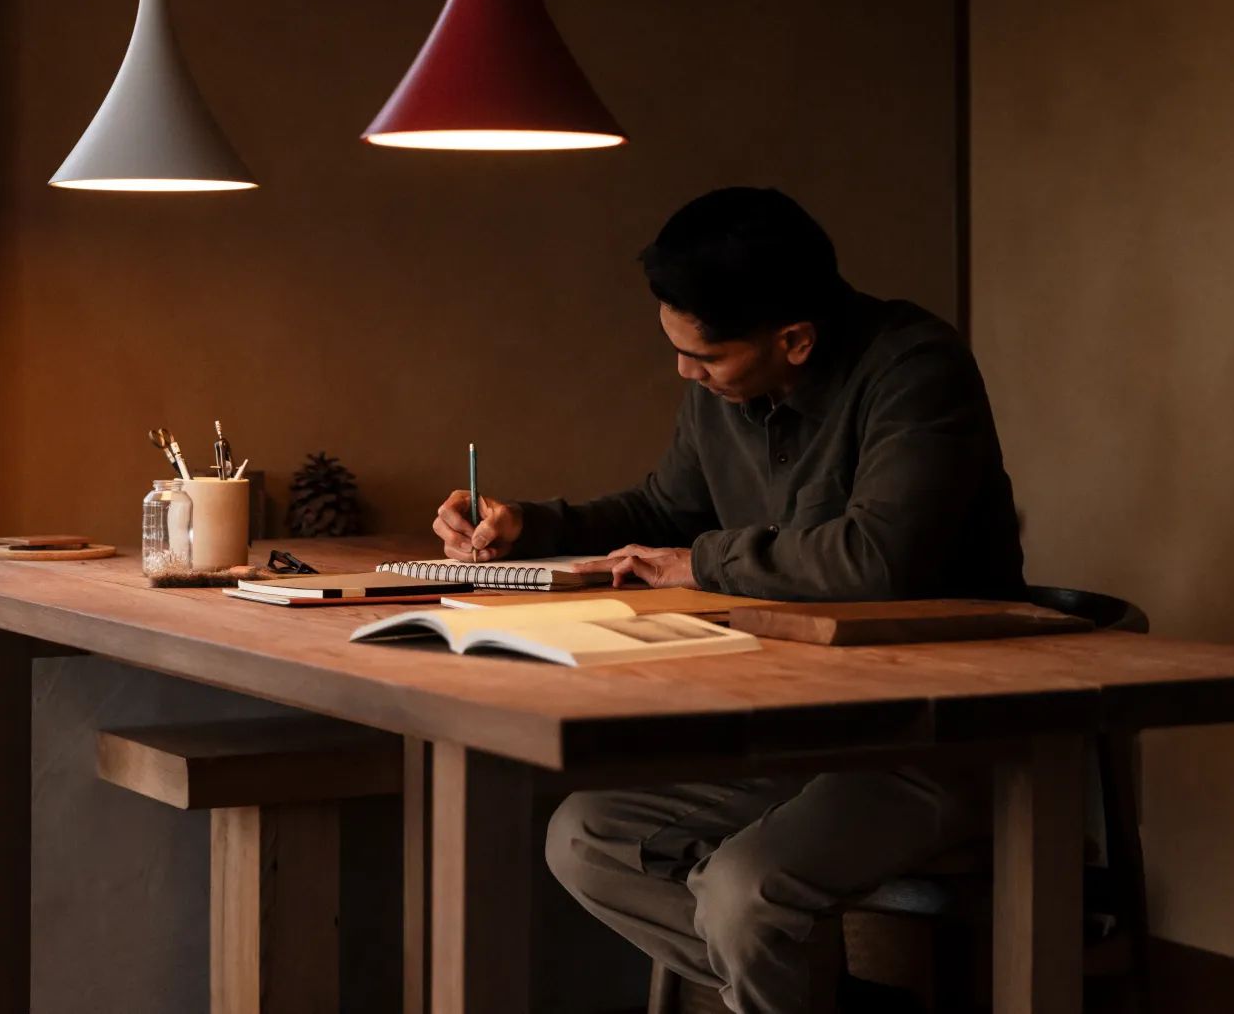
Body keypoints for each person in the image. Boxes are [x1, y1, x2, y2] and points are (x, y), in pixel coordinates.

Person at [429, 187, 1026, 1013]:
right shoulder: (731, 391)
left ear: (796, 340)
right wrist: (527, 525)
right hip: (800, 725)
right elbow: (662, 511)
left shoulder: (915, 368)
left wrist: (698, 563)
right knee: (586, 838)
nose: (686, 373)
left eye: (705, 359)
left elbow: (879, 558)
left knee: (745, 892)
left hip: (935, 735)